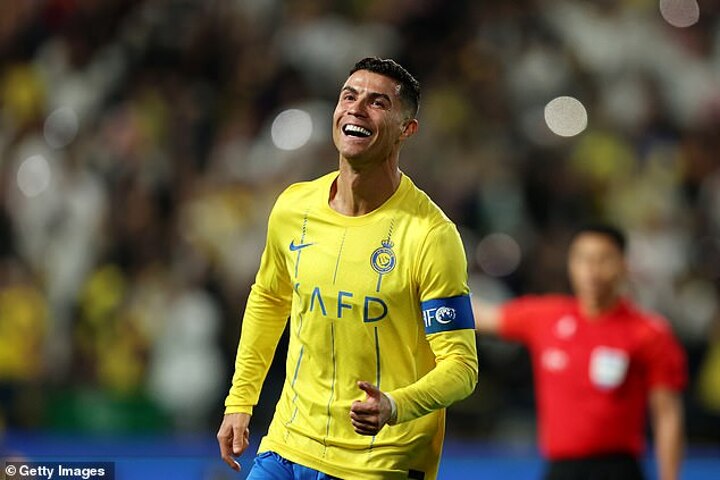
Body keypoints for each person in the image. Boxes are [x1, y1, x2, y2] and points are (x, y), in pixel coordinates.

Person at [217, 57, 478, 480]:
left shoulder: (431, 235)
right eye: (349, 96)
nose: (356, 108)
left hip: (380, 460)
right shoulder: (294, 207)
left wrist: (395, 405)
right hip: (289, 443)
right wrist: (240, 401)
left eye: (377, 102)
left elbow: (462, 367)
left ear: (407, 129)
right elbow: (269, 301)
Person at [473, 224, 687, 480]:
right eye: (583, 259)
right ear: (570, 264)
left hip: (618, 470)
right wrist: (434, 286)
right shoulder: (546, 317)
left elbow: (667, 414)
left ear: (623, 265)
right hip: (560, 470)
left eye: (603, 259)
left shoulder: (649, 332)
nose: (591, 271)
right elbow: (481, 317)